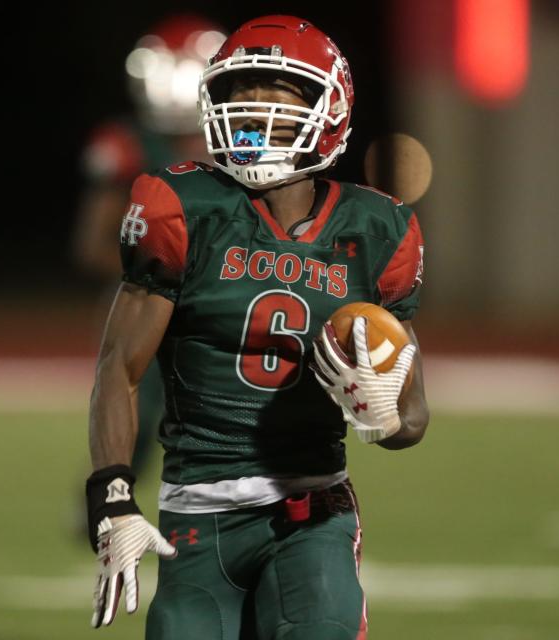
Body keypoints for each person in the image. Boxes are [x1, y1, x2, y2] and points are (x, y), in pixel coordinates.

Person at [84, 15, 429, 640]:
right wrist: (110, 493)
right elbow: (120, 367)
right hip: (194, 519)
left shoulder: (376, 230)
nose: (254, 105)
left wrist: (385, 420)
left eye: (279, 89)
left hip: (311, 515)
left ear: (330, 109)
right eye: (242, 90)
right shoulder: (182, 205)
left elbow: (414, 417)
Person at [72, 14, 225, 476]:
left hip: (229, 294)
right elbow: (91, 244)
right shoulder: (128, 143)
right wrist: (158, 274)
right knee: (134, 400)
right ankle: (108, 493)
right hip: (152, 295)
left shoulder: (239, 142)